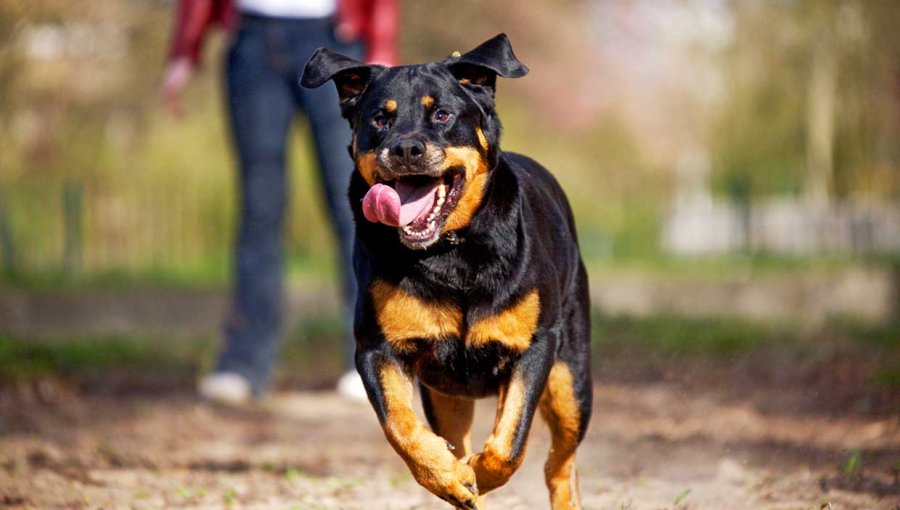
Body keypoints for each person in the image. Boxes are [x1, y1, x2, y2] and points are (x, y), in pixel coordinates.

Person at [161, 0, 399, 404]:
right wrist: (186, 48)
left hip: (335, 38)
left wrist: (382, 42)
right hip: (252, 41)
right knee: (259, 209)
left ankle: (372, 356)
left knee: (357, 204)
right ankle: (243, 364)